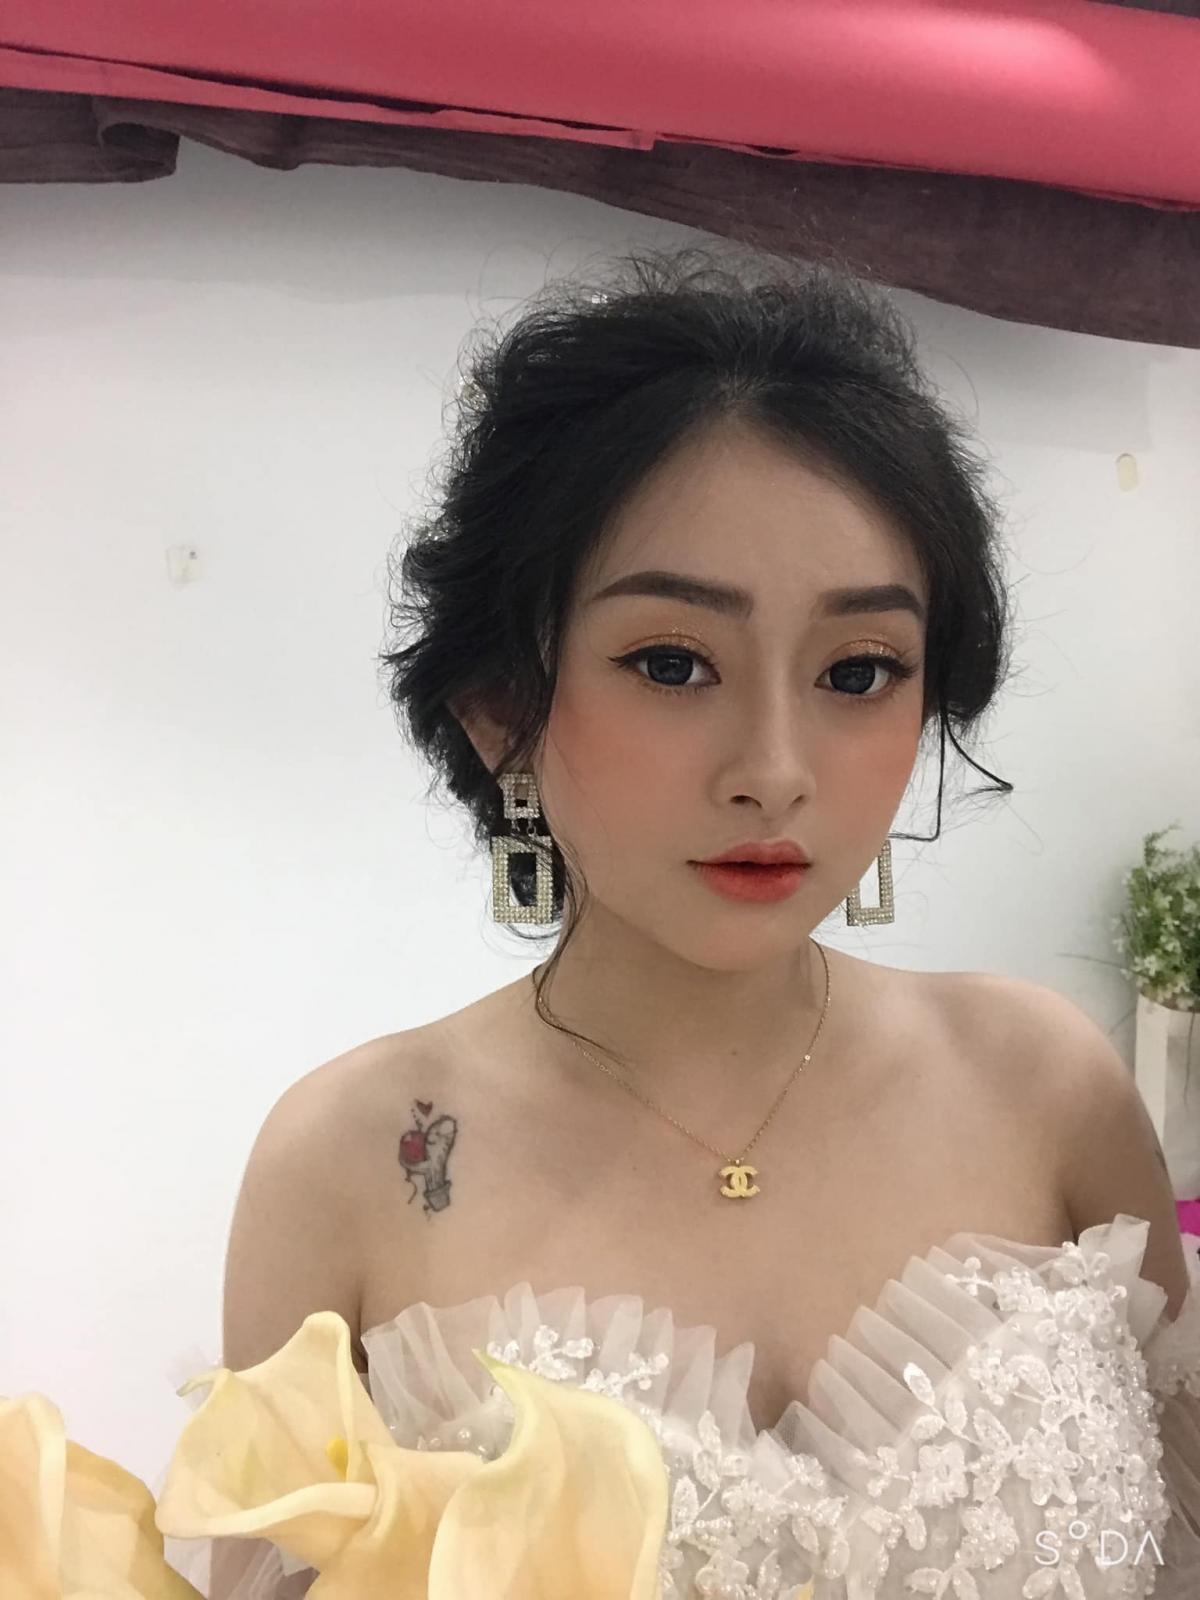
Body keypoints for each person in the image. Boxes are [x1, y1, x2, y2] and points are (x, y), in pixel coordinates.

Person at [186, 244, 1200, 1598]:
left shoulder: (1044, 1085)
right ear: (500, 707)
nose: (774, 768)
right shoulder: (354, 1164)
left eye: (860, 671)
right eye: (672, 662)